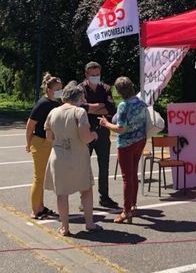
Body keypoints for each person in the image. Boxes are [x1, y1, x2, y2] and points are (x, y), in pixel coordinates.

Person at [44, 81, 102, 236]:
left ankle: (65, 227)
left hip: (58, 156)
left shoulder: (53, 112)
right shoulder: (79, 112)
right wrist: (95, 135)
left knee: (61, 193)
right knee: (86, 189)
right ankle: (89, 223)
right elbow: (85, 138)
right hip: (77, 156)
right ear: (79, 97)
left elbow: (49, 137)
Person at [98, 77, 147, 224]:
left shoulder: (123, 106)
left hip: (126, 143)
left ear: (119, 91)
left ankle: (126, 211)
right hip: (140, 140)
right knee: (133, 175)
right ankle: (133, 204)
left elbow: (121, 129)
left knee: (127, 177)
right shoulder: (141, 102)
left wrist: (106, 123)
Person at [80, 61, 119, 209]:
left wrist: (91, 108)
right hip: (86, 131)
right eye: (93, 75)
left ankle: (105, 197)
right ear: (86, 75)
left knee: (104, 166)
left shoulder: (106, 88)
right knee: (84, 166)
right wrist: (100, 106)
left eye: (97, 74)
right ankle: (84, 200)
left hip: (103, 132)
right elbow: (81, 109)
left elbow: (110, 109)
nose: (96, 77)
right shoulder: (80, 89)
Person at [25, 73, 62, 220]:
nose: (60, 91)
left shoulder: (56, 103)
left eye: (61, 88)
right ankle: (35, 210)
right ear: (49, 90)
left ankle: (41, 207)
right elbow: (30, 126)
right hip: (40, 142)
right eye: (57, 89)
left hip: (49, 143)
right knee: (39, 178)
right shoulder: (42, 104)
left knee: (43, 177)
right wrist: (28, 144)